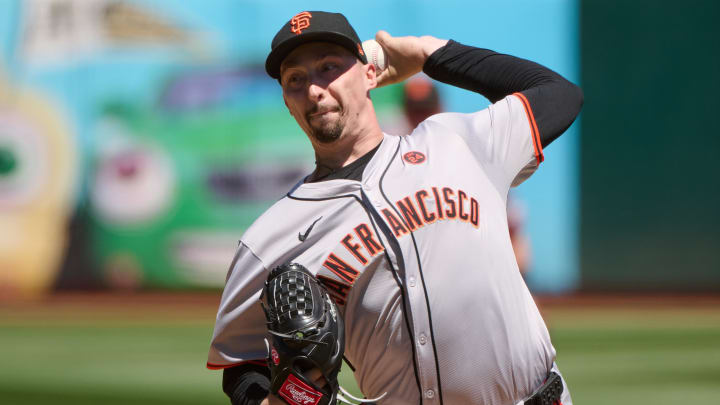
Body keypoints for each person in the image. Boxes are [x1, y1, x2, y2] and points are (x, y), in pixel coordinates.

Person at [207, 10, 583, 405]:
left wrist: (428, 53)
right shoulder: (269, 238)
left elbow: (558, 93)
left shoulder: (457, 143)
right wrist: (285, 398)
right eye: (295, 79)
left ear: (370, 73)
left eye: (328, 67)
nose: (314, 89)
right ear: (287, 100)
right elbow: (241, 364)